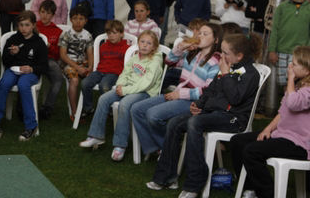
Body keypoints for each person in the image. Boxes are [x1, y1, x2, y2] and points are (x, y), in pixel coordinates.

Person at [146, 33, 260, 197]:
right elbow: (211, 90)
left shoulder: (250, 74)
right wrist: (199, 105)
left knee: (195, 123)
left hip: (234, 119)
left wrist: (226, 74)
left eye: (226, 53)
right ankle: (166, 176)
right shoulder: (227, 66)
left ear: (239, 56)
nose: (221, 56)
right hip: (214, 112)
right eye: (221, 51)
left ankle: (195, 183)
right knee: (175, 122)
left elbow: (235, 99)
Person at [131, 23, 222, 159]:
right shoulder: (193, 52)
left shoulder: (216, 60)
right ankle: (159, 147)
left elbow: (208, 90)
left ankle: (167, 149)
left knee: (152, 115)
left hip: (193, 101)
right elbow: (169, 62)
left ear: (216, 40)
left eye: (205, 34)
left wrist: (180, 94)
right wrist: (180, 48)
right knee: (136, 109)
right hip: (177, 94)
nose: (200, 36)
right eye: (200, 33)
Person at [231, 45, 310, 198]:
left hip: (298, 143)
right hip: (282, 135)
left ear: (307, 70)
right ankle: (250, 187)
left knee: (252, 151)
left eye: (294, 64)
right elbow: (283, 112)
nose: (290, 66)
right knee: (238, 141)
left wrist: (291, 79)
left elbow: (293, 103)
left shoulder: (306, 90)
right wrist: (267, 129)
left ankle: (267, 193)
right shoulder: (297, 87)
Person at [79, 31, 163, 161]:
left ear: (154, 47)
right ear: (138, 43)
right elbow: (125, 73)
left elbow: (146, 83)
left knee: (124, 104)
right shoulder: (135, 57)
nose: (145, 45)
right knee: (103, 98)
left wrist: (125, 90)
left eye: (149, 43)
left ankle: (120, 145)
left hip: (145, 93)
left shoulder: (155, 61)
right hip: (127, 88)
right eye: (142, 42)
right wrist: (119, 85)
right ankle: (96, 136)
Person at [0, 10, 48, 141]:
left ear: (33, 25)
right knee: (4, 84)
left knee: (23, 85)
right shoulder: (13, 39)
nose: (23, 28)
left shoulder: (39, 42)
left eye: (27, 25)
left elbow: (44, 66)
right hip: (13, 70)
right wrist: (12, 54)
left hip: (31, 73)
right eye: (21, 25)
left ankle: (31, 126)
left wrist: (32, 68)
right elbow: (5, 61)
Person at [80, 20, 129, 117]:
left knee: (104, 85)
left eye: (114, 33)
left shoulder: (127, 48)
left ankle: (108, 108)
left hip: (114, 73)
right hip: (100, 71)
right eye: (109, 33)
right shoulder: (103, 46)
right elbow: (98, 61)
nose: (111, 36)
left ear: (121, 34)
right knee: (85, 83)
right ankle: (88, 108)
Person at [268, 0, 310, 87]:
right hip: (281, 51)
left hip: (300, 53)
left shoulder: (309, 7)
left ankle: (297, 102)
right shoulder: (282, 7)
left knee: (299, 80)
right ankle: (286, 101)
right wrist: (272, 50)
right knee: (283, 81)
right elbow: (275, 29)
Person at [59, 6, 94, 120]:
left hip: (82, 63)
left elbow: (89, 53)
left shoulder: (88, 35)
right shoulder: (66, 34)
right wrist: (77, 68)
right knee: (74, 80)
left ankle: (88, 108)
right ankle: (74, 112)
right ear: (71, 19)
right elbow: (63, 55)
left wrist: (90, 67)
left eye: (81, 19)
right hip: (68, 63)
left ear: (86, 20)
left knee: (90, 79)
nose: (78, 21)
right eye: (75, 18)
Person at [36, 0, 64, 120]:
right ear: (39, 12)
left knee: (58, 79)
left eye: (48, 13)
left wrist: (49, 46)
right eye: (42, 12)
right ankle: (23, 107)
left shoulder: (57, 31)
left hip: (49, 60)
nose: (44, 16)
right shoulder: (33, 27)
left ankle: (47, 108)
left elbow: (58, 54)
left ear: (52, 15)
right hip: (33, 60)